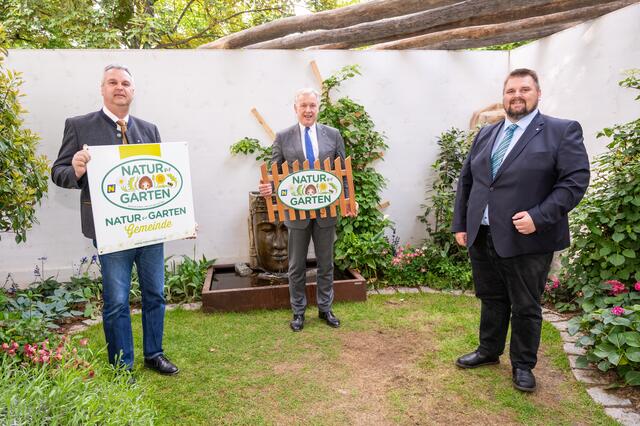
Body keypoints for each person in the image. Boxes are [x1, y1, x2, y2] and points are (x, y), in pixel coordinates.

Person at [451, 69, 590, 392]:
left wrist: (539, 217)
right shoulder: (487, 133)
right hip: (483, 233)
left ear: (538, 94)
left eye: (524, 89)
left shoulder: (561, 131)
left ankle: (523, 365)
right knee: (492, 297)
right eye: (510, 90)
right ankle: (488, 350)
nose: (516, 95)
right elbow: (468, 181)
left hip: (528, 236)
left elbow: (574, 182)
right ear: (504, 96)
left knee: (526, 305)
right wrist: (461, 223)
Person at [51, 64, 179, 376]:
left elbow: (161, 180)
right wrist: (77, 169)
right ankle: (122, 364)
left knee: (155, 294)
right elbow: (59, 172)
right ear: (103, 88)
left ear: (133, 91)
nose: (119, 87)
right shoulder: (79, 126)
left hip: (149, 230)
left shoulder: (149, 130)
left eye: (125, 83)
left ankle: (154, 354)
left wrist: (179, 217)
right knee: (118, 300)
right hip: (111, 232)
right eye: (112, 82)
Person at [259, 88, 355, 332]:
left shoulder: (333, 135)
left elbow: (342, 172)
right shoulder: (283, 137)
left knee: (326, 263)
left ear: (318, 108)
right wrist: (269, 187)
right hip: (296, 213)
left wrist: (347, 198)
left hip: (326, 211)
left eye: (312, 105)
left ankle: (325, 308)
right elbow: (275, 173)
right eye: (303, 106)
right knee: (296, 265)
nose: (308, 110)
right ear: (296, 109)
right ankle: (298, 312)